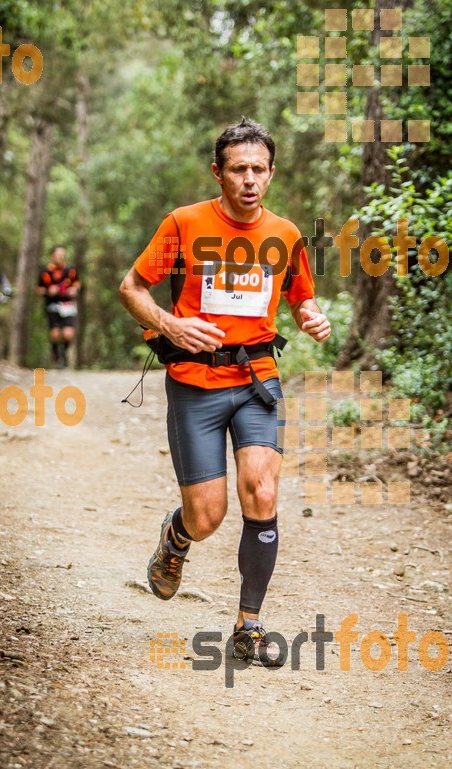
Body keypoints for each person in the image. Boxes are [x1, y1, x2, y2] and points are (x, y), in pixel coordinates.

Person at [119, 118, 331, 665]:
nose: (250, 180)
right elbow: (131, 287)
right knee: (207, 516)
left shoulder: (284, 234)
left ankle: (249, 626)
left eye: (259, 169)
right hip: (195, 383)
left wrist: (310, 316)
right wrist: (169, 325)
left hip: (258, 380)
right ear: (218, 173)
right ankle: (177, 536)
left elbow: (300, 296)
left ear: (271, 173)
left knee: (261, 490)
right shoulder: (184, 224)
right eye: (238, 169)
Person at [36, 245, 80, 367]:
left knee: (68, 334)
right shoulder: (45, 272)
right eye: (58, 254)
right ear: (52, 255)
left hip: (68, 304)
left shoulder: (70, 270)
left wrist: (73, 290)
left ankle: (64, 354)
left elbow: (77, 284)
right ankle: (55, 354)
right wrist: (48, 291)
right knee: (55, 333)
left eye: (63, 254)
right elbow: (38, 289)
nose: (61, 256)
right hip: (52, 305)